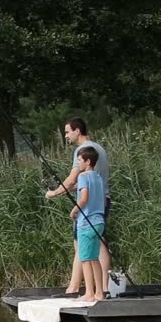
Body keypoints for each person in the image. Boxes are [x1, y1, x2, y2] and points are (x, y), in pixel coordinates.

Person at [45, 117, 111, 297]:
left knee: (84, 248)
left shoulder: (82, 151)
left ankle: (83, 290)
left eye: (67, 132)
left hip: (87, 211)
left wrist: (54, 192)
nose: (66, 136)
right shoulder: (99, 149)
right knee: (98, 244)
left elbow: (73, 179)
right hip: (102, 202)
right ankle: (100, 288)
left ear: (77, 131)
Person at [71, 147, 106, 301]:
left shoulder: (83, 176)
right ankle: (99, 293)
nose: (78, 162)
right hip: (99, 222)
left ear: (88, 161)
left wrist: (74, 211)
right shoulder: (98, 177)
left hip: (86, 223)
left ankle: (89, 294)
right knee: (94, 258)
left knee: (85, 259)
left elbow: (84, 198)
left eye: (80, 160)